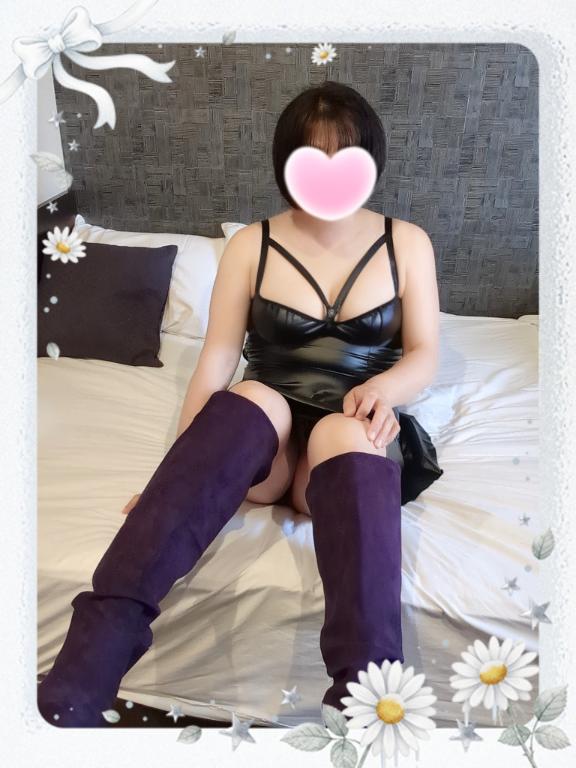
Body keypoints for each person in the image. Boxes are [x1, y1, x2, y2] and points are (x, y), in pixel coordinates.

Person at [37, 81, 443, 728]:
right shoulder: (252, 244)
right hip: (267, 446)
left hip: (346, 431)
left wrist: (383, 392)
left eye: (345, 157)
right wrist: (172, 479)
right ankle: (89, 665)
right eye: (313, 157)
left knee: (344, 434)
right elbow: (217, 360)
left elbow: (424, 353)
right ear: (286, 164)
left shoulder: (408, 243)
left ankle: (367, 697)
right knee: (249, 395)